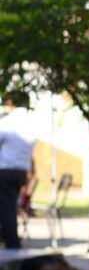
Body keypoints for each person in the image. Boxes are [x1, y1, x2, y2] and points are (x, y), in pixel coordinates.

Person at [0, 91, 37, 249]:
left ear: (11, 103)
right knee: (9, 205)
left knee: (7, 207)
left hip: (6, 170)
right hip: (21, 171)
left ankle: (11, 241)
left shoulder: (8, 122)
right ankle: (10, 238)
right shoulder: (31, 123)